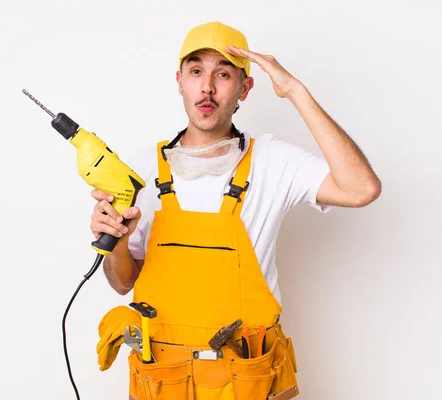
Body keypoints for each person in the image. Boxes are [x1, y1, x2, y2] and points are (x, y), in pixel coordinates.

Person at [93, 21, 381, 400]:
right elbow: (122, 283)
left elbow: (362, 189)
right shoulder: (140, 169)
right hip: (162, 382)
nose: (207, 87)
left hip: (249, 382)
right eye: (196, 71)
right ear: (179, 81)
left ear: (245, 87)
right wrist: (116, 239)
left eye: (223, 74)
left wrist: (295, 92)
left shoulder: (273, 160)